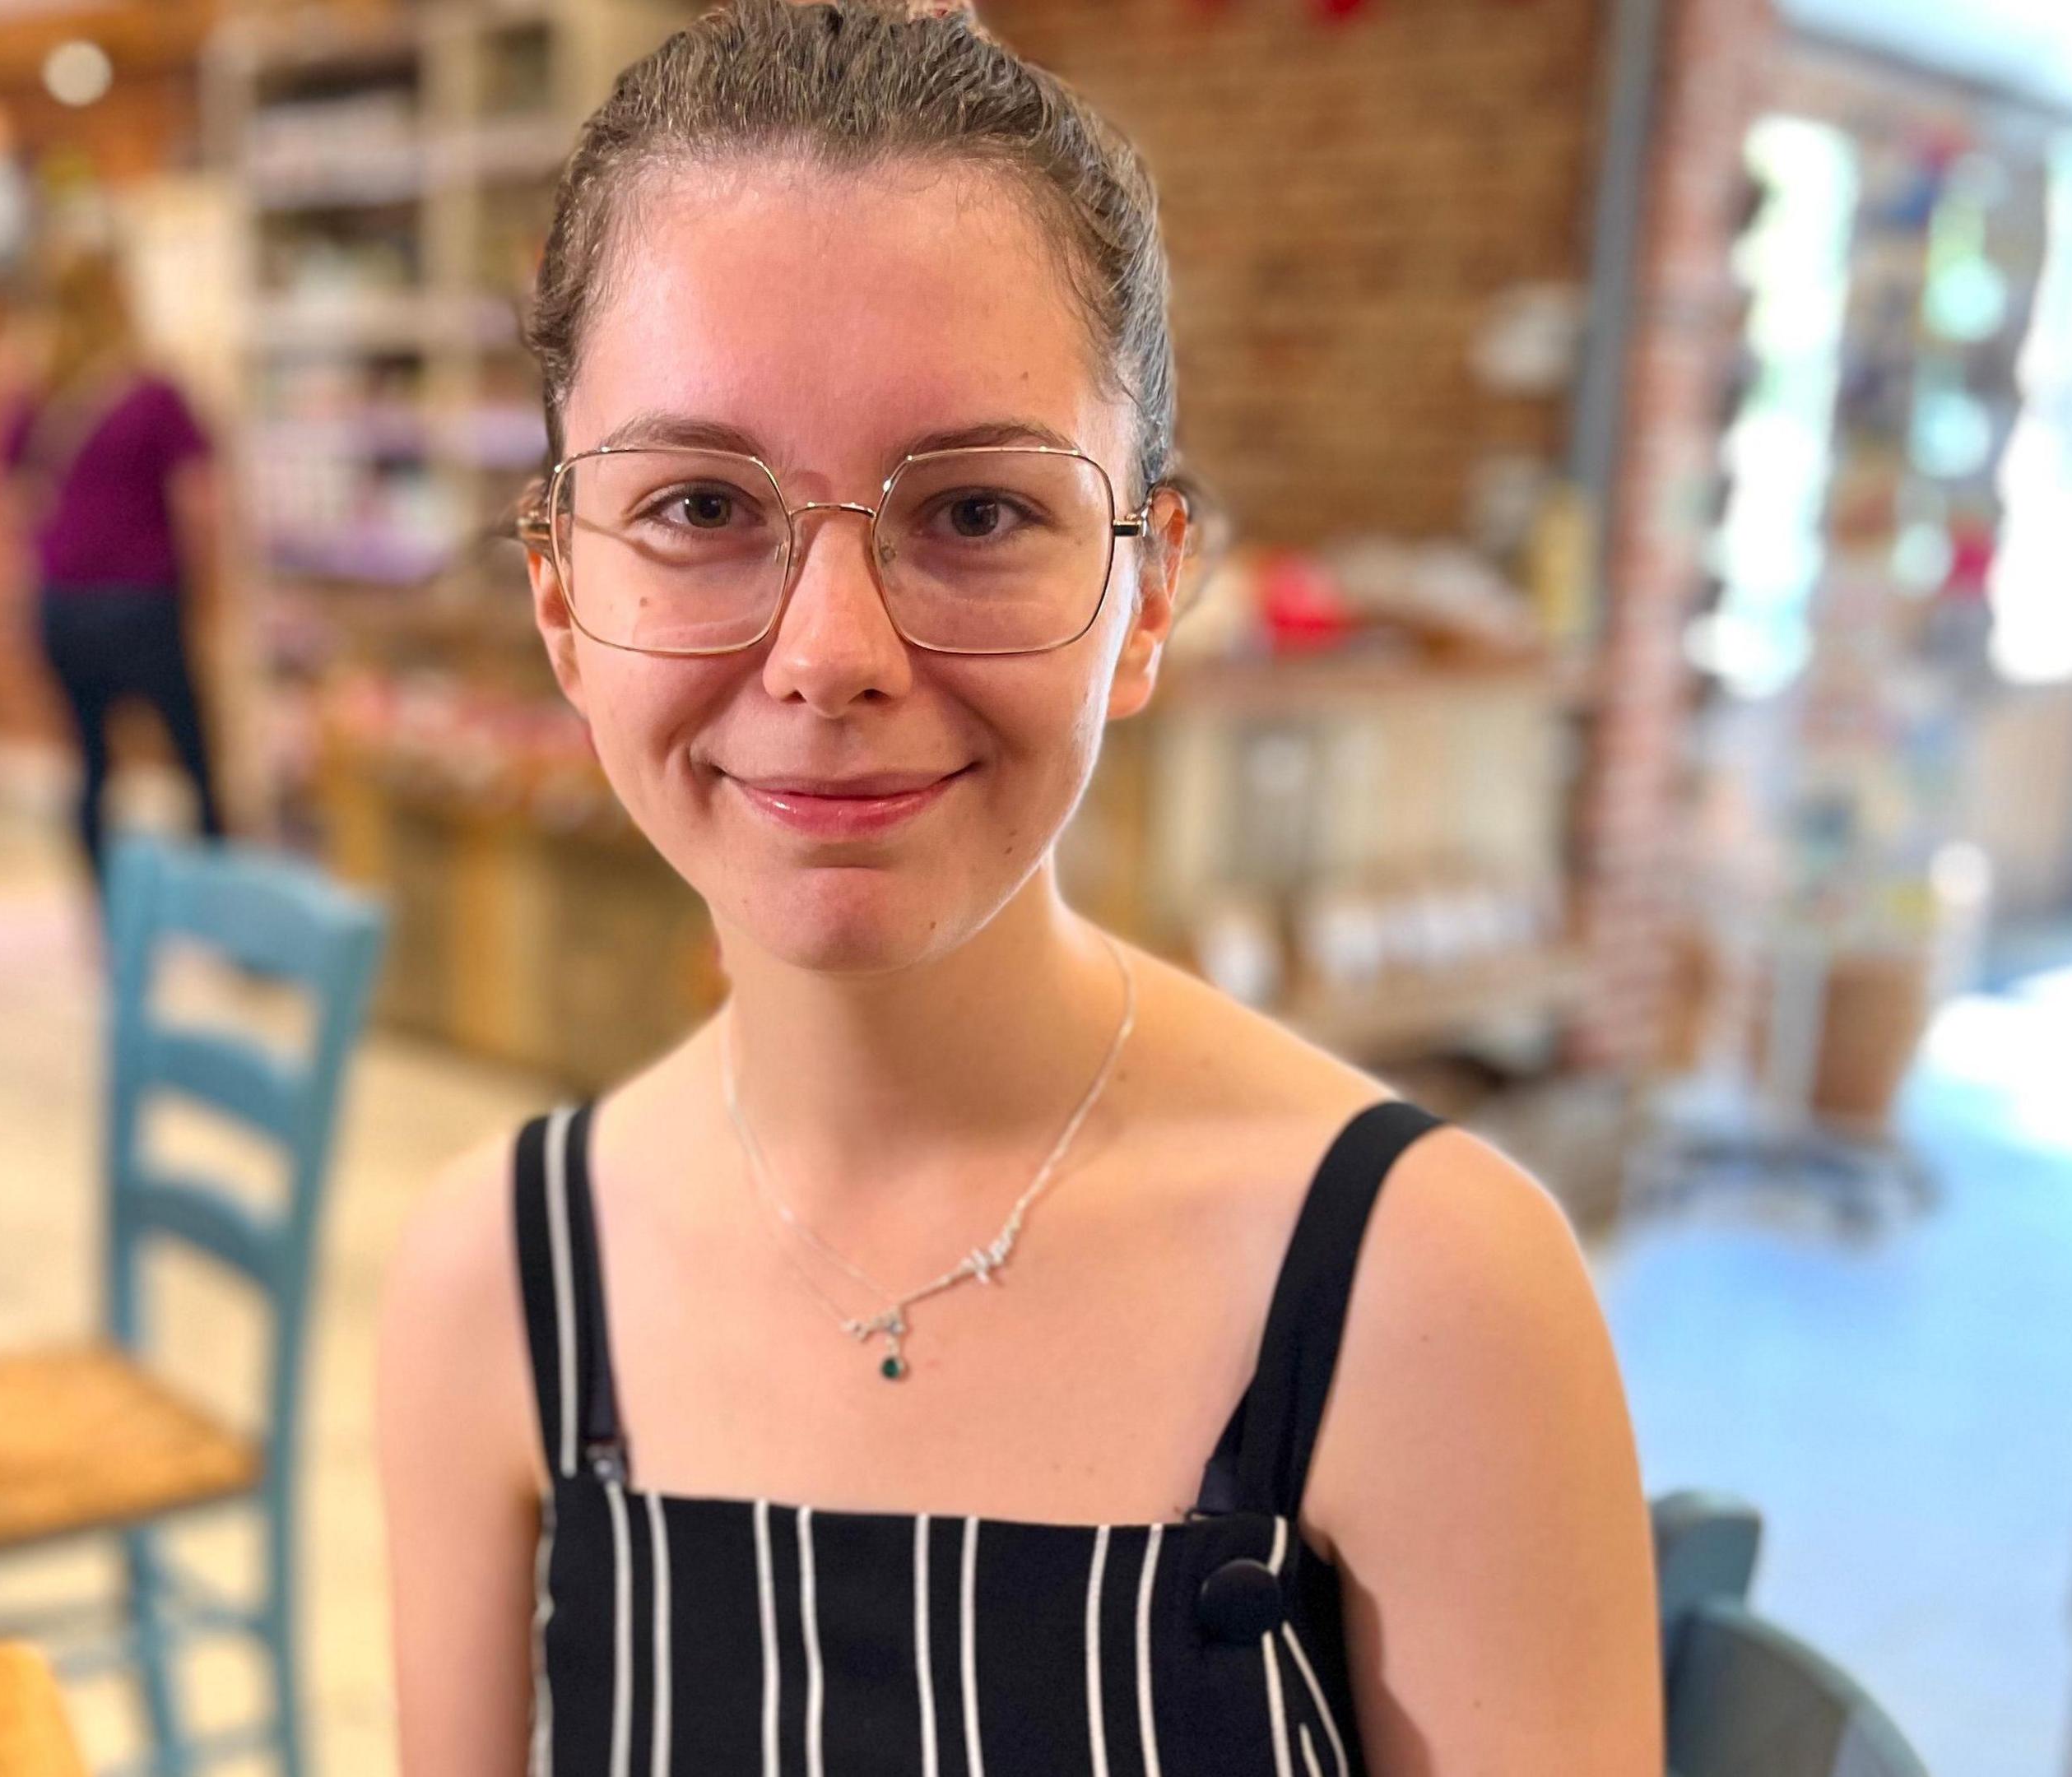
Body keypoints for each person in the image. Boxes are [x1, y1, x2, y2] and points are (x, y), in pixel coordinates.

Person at [373, 7, 1661, 1774]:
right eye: (696, 505)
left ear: (1147, 595)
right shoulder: (495, 1286)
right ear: (558, 599)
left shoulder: (1428, 1295)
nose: (831, 655)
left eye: (975, 514)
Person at [0, 248, 228, 878]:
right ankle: (222, 902)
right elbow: (197, 506)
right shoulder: (153, 395)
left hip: (63, 604)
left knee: (91, 761)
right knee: (194, 755)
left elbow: (16, 504)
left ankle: (109, 914)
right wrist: (207, 595)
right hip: (142, 601)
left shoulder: (35, 396)